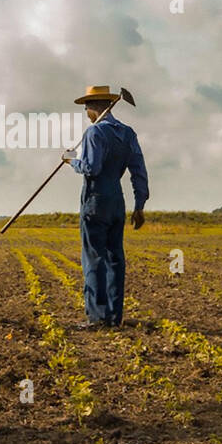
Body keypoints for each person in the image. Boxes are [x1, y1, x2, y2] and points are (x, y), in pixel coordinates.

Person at [62, 86, 148, 329]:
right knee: (114, 258)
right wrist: (139, 204)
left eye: (86, 107)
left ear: (95, 107)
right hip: (117, 202)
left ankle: (97, 317)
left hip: (95, 200)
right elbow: (138, 170)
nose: (86, 112)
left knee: (93, 258)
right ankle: (113, 316)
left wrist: (71, 161)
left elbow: (91, 168)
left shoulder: (94, 132)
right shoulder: (128, 133)